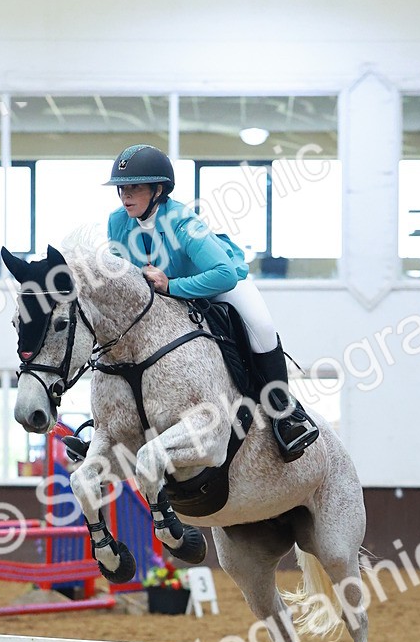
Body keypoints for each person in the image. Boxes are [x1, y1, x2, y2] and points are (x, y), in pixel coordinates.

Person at [104, 144, 319, 462]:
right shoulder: (117, 223)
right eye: (122, 188)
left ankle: (284, 414)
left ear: (158, 189)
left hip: (218, 282)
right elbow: (122, 275)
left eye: (135, 187)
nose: (125, 195)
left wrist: (171, 285)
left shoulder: (184, 224)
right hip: (164, 296)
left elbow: (224, 274)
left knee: (262, 326)